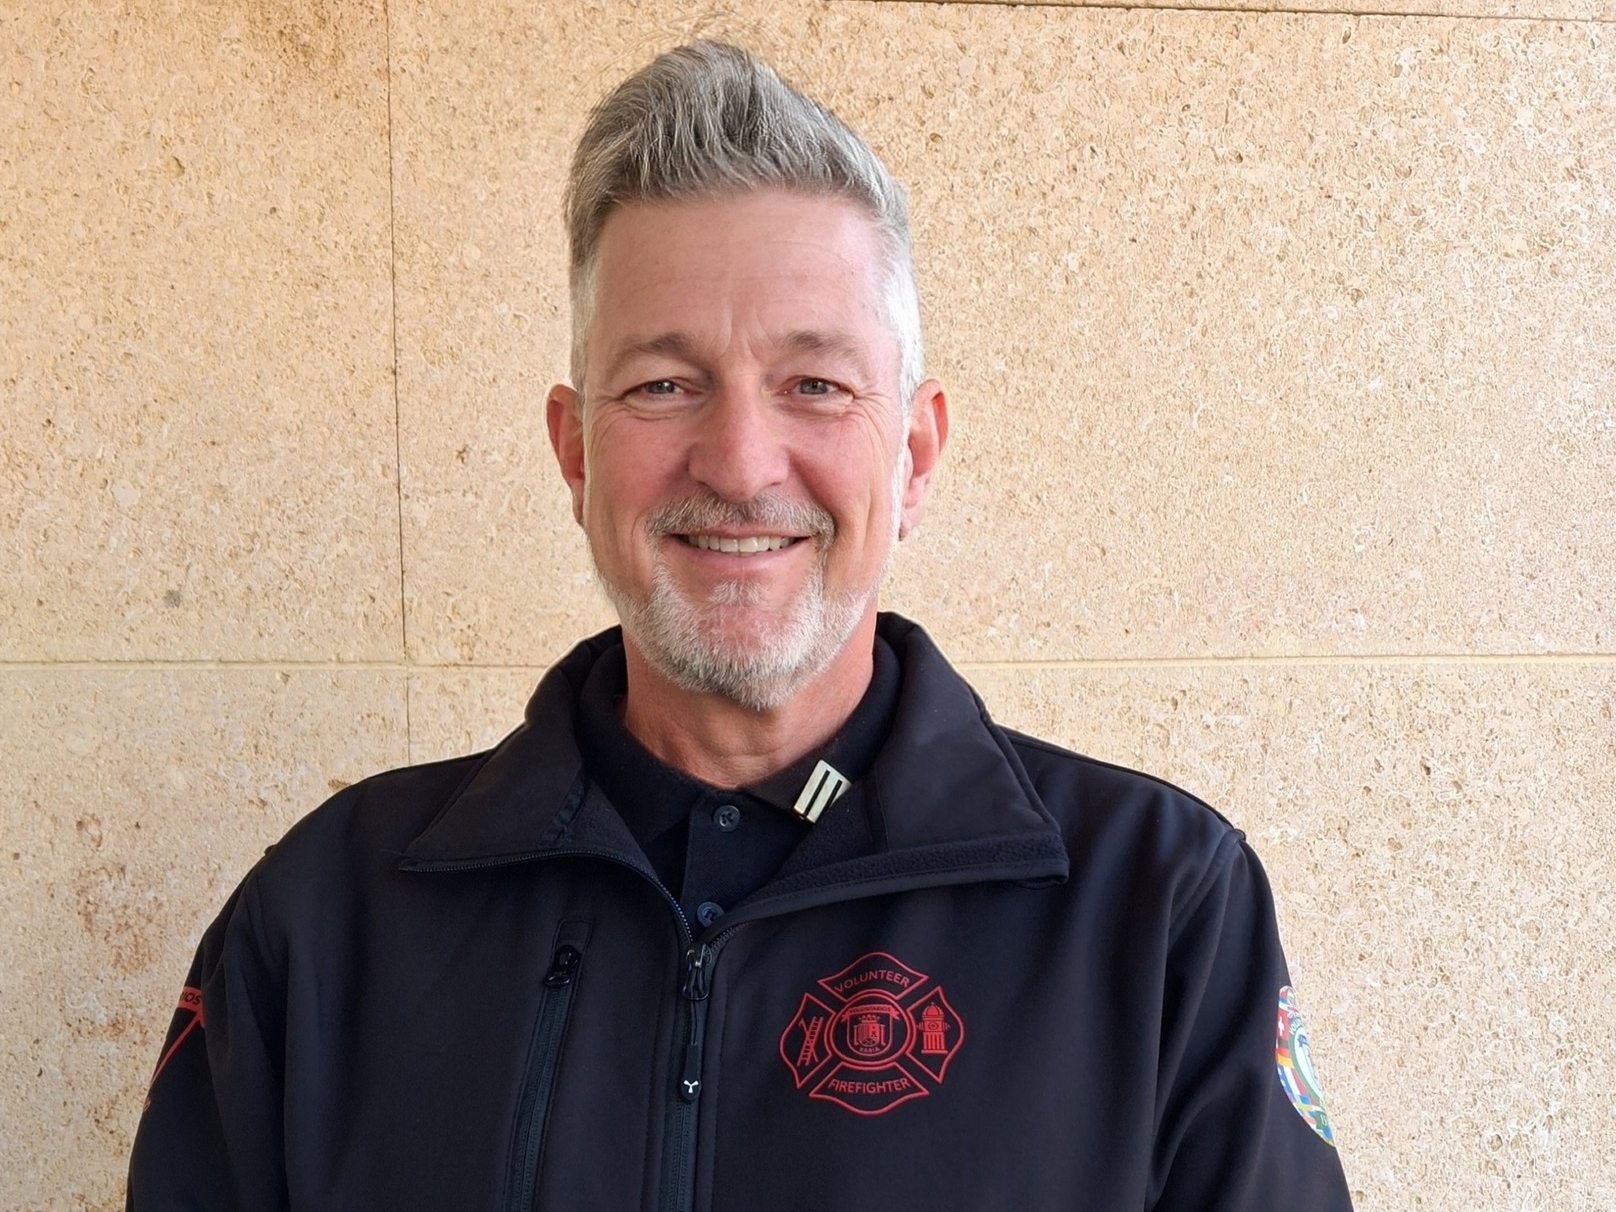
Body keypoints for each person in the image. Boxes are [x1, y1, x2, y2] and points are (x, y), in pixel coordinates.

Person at [128, 41, 1352, 1211]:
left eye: (813, 384)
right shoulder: (326, 921)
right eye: (663, 384)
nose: (740, 460)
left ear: (913, 454)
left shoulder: (1153, 915)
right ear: (575, 452)